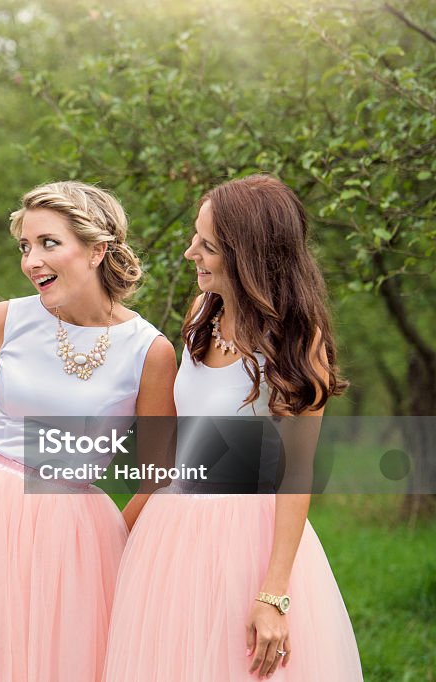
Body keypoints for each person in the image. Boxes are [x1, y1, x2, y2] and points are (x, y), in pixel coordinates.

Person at [0, 181, 177, 682]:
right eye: (25, 246)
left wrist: (107, 536)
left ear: (97, 250)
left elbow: (156, 475)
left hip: (74, 532)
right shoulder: (5, 320)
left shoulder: (150, 351)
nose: (31, 260)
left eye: (48, 243)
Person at [103, 174, 363, 681]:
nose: (189, 253)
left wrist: (274, 593)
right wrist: (125, 522)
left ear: (249, 256)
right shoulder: (202, 314)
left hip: (248, 539)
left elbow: (296, 473)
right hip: (172, 530)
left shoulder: (296, 341)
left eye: (207, 245)